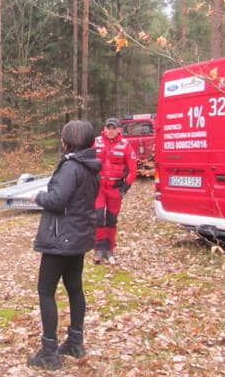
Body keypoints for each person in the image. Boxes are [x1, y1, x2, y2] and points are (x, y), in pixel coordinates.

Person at [27, 120, 100, 370]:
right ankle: (75, 342)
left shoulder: (71, 166)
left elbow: (57, 200)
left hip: (61, 239)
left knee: (46, 291)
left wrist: (39, 197)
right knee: (74, 288)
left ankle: (49, 352)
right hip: (77, 238)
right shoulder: (89, 165)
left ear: (68, 140)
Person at [93, 117, 137, 265]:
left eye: (114, 128)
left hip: (115, 189)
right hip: (99, 189)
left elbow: (133, 170)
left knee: (111, 220)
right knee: (98, 217)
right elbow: (87, 161)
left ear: (119, 129)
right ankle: (98, 249)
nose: (111, 131)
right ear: (104, 129)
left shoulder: (125, 145)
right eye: (108, 128)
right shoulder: (96, 142)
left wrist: (124, 188)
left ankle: (109, 249)